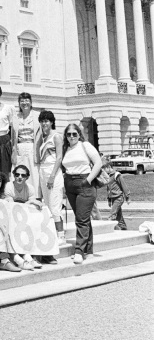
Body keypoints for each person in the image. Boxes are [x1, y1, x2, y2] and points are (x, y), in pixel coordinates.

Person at [55, 123, 103, 264]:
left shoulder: (85, 145)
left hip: (85, 183)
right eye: (69, 134)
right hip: (70, 184)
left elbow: (98, 163)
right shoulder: (66, 148)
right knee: (83, 218)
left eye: (74, 134)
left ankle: (79, 251)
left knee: (81, 220)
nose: (71, 137)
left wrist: (88, 180)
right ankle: (89, 250)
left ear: (79, 135)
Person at [35, 109, 65, 261]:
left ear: (52, 122)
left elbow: (59, 157)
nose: (44, 123)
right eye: (42, 121)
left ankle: (61, 235)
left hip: (54, 172)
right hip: (43, 171)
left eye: (47, 121)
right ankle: (52, 233)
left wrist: (53, 175)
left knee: (55, 206)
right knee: (47, 205)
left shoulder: (56, 136)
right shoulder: (42, 137)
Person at [4, 164, 43, 270]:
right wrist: (29, 201)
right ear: (13, 175)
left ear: (27, 177)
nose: (20, 177)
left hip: (24, 219)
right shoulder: (8, 186)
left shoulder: (30, 188)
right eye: (17, 174)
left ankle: (29, 257)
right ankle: (21, 258)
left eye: (23, 175)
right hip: (10, 218)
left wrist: (31, 202)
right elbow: (12, 206)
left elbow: (33, 206)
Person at [15, 93, 40, 194]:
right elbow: (13, 135)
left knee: (33, 174)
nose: (24, 103)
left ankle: (35, 195)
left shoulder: (37, 115)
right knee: (20, 172)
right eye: (22, 101)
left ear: (31, 102)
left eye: (27, 100)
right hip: (19, 148)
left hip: (32, 147)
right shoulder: (16, 116)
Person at [104, 158, 130, 230]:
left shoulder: (117, 175)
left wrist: (127, 197)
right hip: (113, 198)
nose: (103, 171)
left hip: (119, 198)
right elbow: (108, 188)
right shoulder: (108, 176)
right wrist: (109, 200)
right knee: (118, 214)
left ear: (109, 167)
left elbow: (124, 186)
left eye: (104, 169)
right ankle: (122, 226)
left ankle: (107, 229)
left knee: (112, 213)